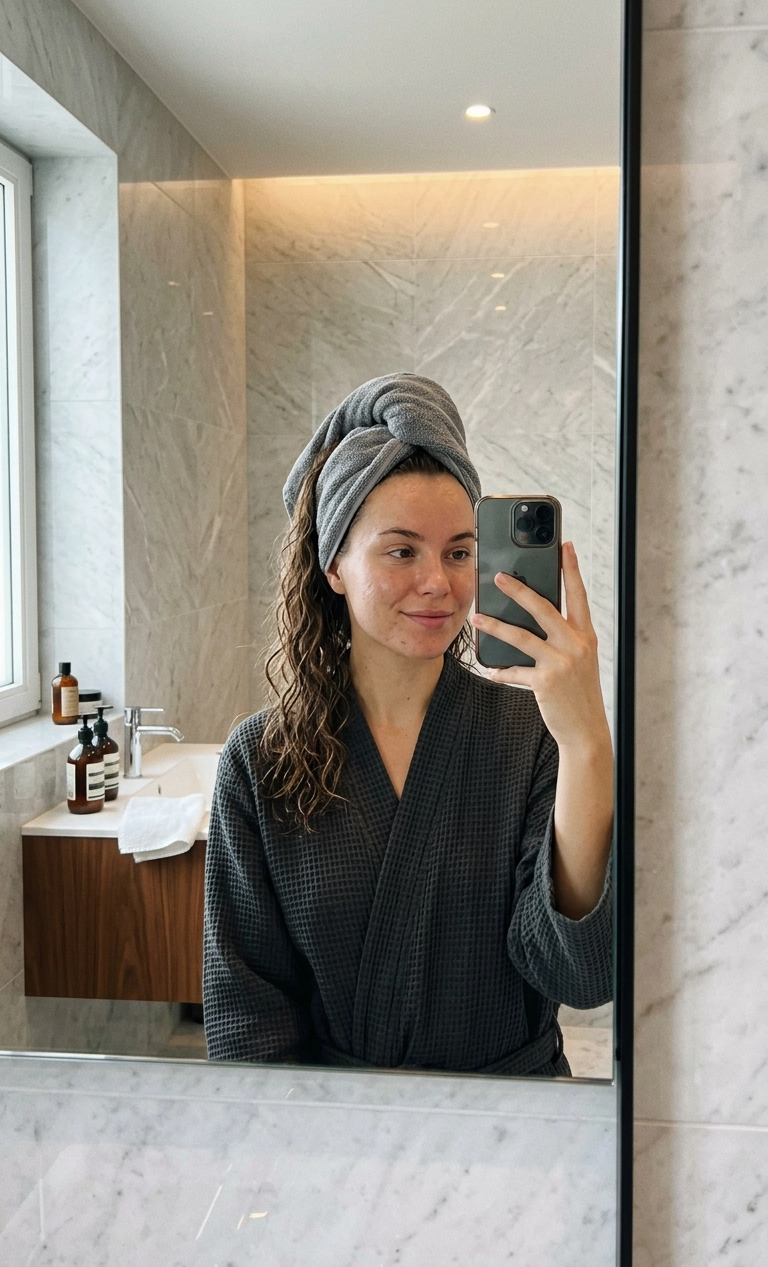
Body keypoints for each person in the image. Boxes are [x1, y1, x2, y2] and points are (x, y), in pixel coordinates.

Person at [203, 373, 613, 1075]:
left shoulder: (531, 735)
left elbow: (578, 976)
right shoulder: (260, 757)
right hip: (336, 1138)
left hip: (516, 1123)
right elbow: (247, 1015)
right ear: (334, 565)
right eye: (401, 551)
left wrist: (586, 742)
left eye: (459, 552)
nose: (438, 583)